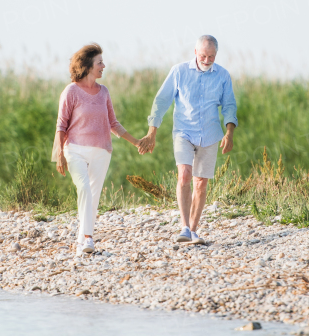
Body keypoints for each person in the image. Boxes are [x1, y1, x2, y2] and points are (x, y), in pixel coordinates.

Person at [138, 35, 237, 245]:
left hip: (210, 134)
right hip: (183, 131)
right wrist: (152, 132)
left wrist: (229, 133)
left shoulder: (223, 75)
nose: (207, 60)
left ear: (216, 55)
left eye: (211, 56)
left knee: (201, 183)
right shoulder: (179, 71)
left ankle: (193, 230)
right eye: (203, 55)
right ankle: (184, 226)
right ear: (195, 52)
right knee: (184, 175)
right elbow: (162, 100)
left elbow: (229, 105)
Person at [52, 43, 144, 255]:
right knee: (84, 188)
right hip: (74, 150)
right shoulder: (71, 91)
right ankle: (87, 238)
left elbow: (113, 123)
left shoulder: (104, 92)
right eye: (99, 62)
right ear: (88, 65)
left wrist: (136, 142)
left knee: (93, 195)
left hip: (102, 151)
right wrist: (59, 155)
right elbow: (61, 125)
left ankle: (84, 239)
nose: (104, 65)